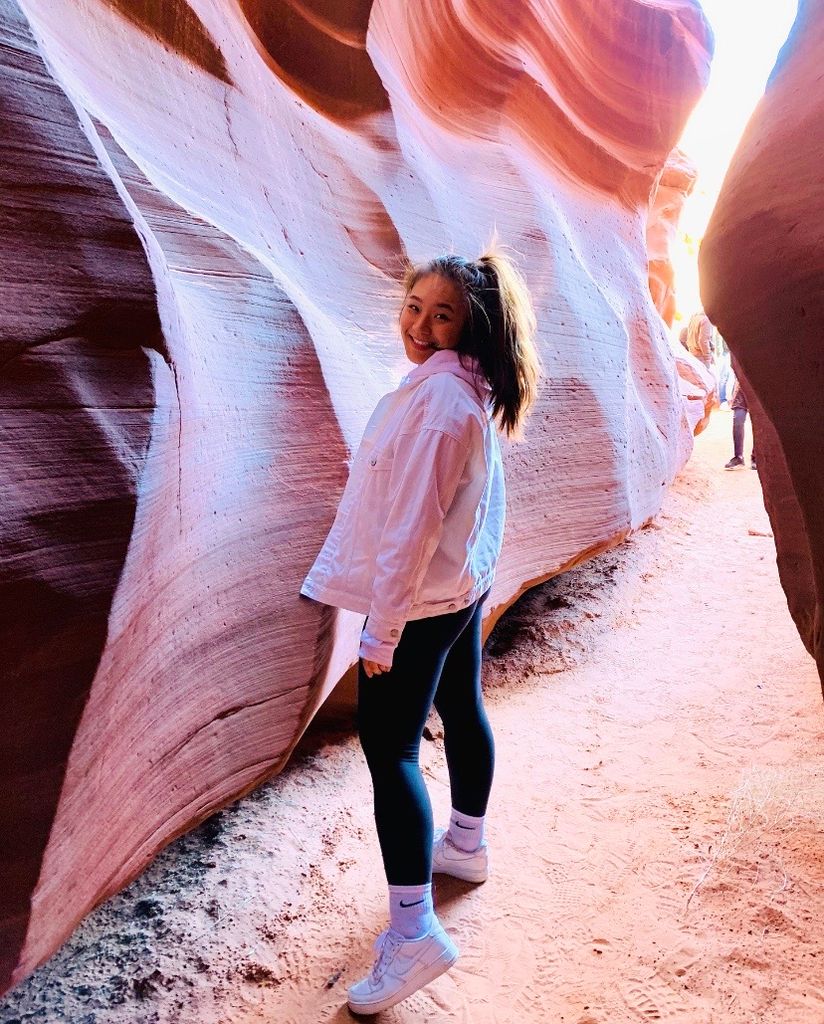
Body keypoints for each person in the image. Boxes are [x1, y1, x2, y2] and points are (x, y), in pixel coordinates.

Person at [300, 250, 541, 1014]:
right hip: (457, 587)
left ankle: (413, 935)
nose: (420, 325)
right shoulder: (464, 387)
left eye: (442, 315)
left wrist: (381, 634)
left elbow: (409, 528)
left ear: (468, 327)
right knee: (464, 704)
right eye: (414, 306)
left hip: (422, 599)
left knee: (392, 749)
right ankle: (464, 847)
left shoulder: (440, 404)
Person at [725, 378, 756, 470]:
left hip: (757, 388)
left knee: (757, 425)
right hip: (741, 389)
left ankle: (756, 457)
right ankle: (738, 457)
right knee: (738, 421)